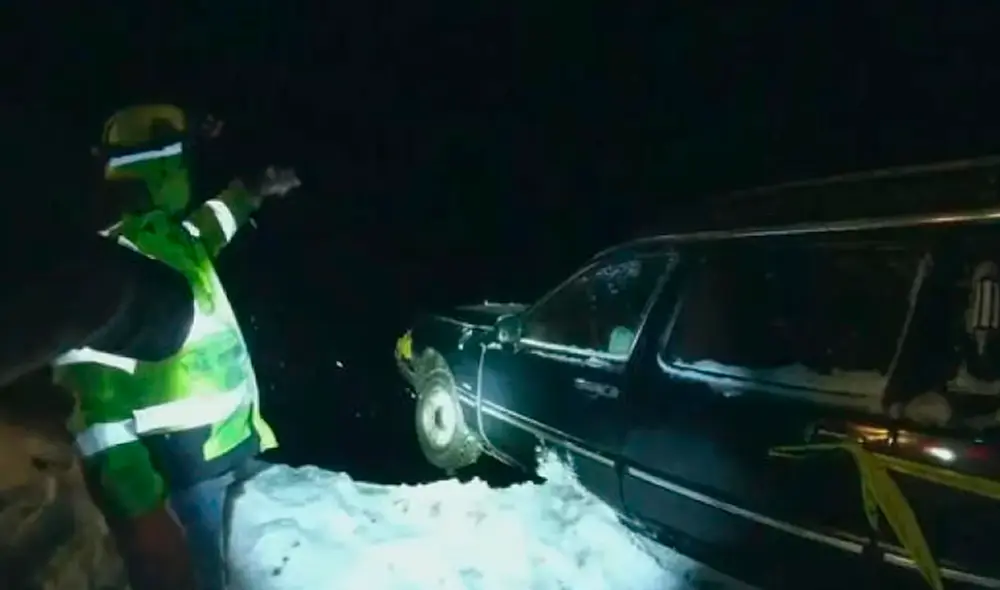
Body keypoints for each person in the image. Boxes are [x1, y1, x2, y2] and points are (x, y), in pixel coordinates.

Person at [50, 104, 301, 590]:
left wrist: (251, 190)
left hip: (225, 448)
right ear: (163, 169)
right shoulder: (105, 264)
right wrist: (144, 512)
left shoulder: (172, 237)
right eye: (184, 162)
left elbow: (216, 222)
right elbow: (95, 418)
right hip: (183, 475)